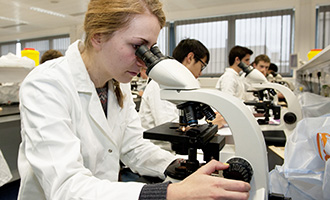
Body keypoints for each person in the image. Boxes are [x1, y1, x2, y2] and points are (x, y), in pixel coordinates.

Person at [17, 0, 250, 200]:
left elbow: (133, 147)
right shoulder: (45, 84)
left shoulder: (118, 83)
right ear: (98, 36)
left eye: (150, 49)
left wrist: (183, 169)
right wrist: (170, 193)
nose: (144, 61)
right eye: (138, 47)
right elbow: (66, 187)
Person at [139, 38, 225, 131]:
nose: (200, 73)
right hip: (159, 144)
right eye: (202, 66)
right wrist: (209, 123)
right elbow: (167, 124)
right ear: (190, 58)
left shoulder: (187, 83)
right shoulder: (160, 83)